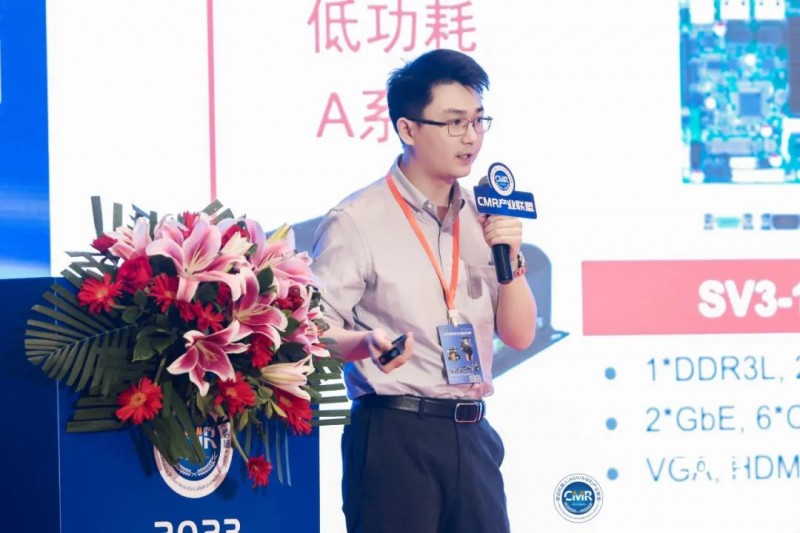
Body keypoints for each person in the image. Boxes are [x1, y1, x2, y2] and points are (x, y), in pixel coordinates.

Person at [311, 48, 537, 533]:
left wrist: (510, 261)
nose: (471, 137)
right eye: (454, 123)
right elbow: (311, 330)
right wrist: (362, 343)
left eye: (478, 120)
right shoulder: (356, 220)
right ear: (408, 128)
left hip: (473, 434)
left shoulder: (486, 217)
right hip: (395, 434)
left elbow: (520, 336)